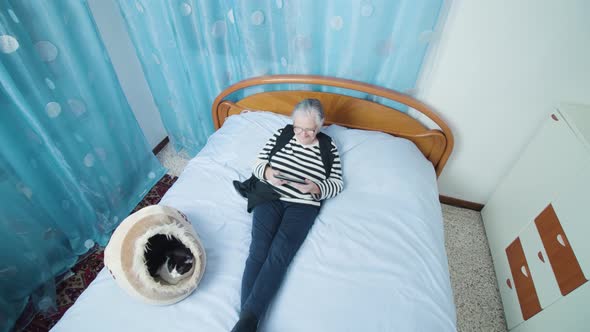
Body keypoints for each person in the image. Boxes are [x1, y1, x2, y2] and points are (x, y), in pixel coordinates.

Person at [231, 99, 344, 332]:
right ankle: (248, 322)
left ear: (321, 125)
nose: (302, 134)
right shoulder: (283, 134)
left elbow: (337, 183)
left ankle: (246, 322)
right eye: (298, 128)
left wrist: (316, 188)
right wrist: (269, 172)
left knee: (280, 253)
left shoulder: (328, 146)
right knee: (258, 250)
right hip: (270, 195)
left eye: (309, 130)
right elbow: (258, 163)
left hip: (302, 205)